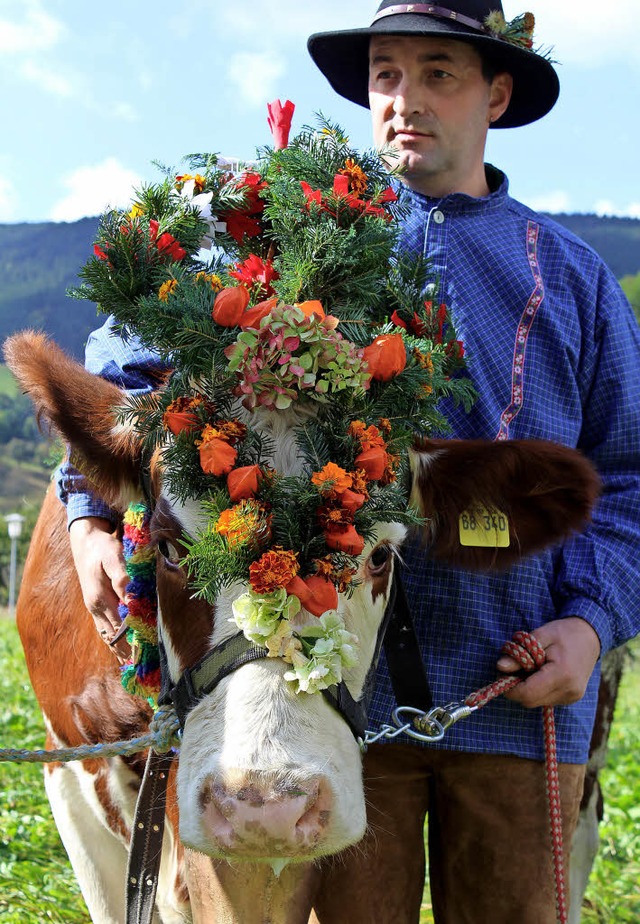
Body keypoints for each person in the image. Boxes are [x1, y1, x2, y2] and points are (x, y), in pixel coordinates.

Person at [56, 2, 640, 921]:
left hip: (517, 695)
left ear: (497, 91)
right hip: (326, 712)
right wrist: (84, 510)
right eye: (386, 74)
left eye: (439, 72)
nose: (405, 100)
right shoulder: (298, 238)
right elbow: (131, 366)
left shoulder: (571, 279)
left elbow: (630, 475)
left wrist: (593, 622)